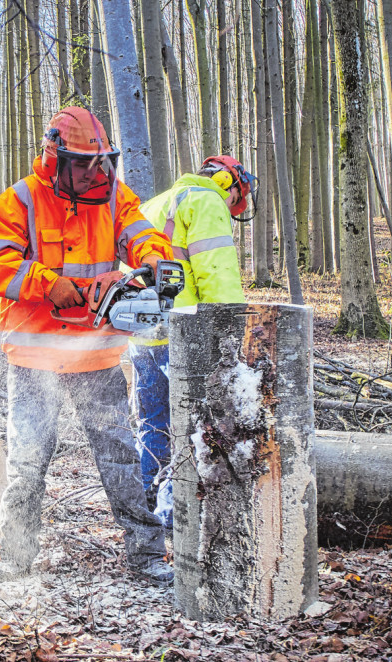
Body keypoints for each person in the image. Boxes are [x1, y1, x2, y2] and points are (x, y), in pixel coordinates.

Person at [0, 107, 175, 584]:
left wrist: (138, 270)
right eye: (83, 163)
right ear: (56, 158)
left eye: (100, 162)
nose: (93, 172)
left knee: (121, 455)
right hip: (35, 357)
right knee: (27, 461)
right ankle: (16, 557)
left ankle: (146, 556)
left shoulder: (114, 199)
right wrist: (47, 284)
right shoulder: (21, 200)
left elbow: (147, 240)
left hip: (95, 354)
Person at [127, 156, 257, 528]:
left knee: (153, 420)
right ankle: (175, 512)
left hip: (143, 332)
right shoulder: (206, 200)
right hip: (185, 332)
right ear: (227, 183)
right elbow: (216, 273)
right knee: (192, 423)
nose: (231, 205)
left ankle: (146, 500)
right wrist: (231, 333)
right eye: (234, 197)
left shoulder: (156, 203)